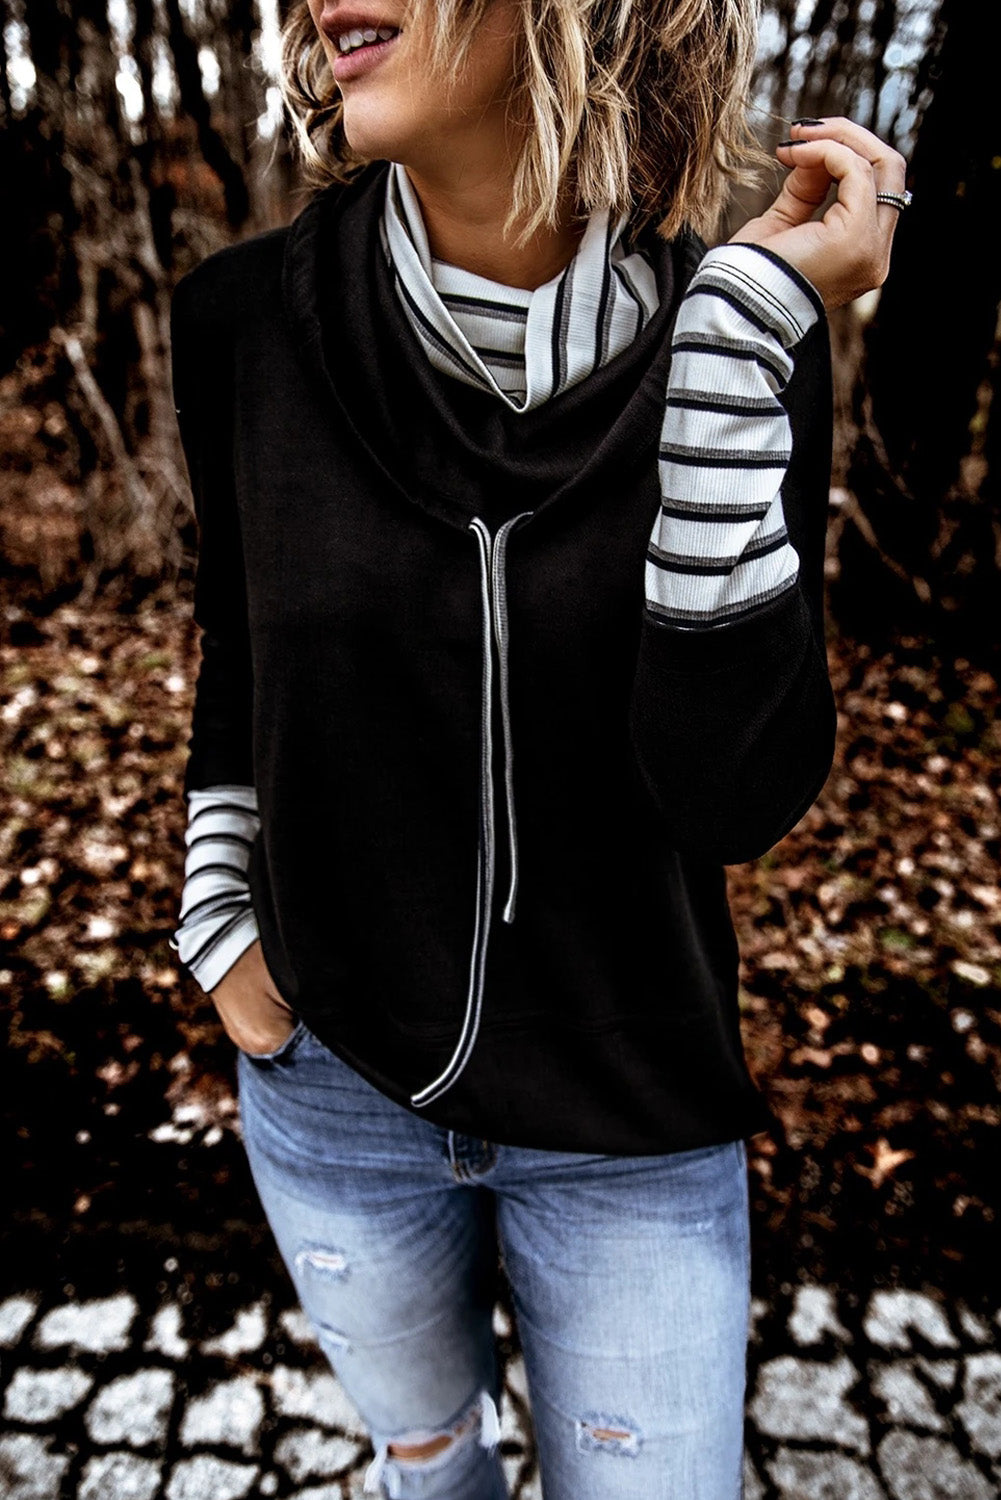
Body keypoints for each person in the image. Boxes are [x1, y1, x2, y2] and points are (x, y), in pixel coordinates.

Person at [168, 0, 908, 1493]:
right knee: (430, 1465)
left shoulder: (742, 326)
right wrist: (218, 924)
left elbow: (735, 793)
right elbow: (241, 652)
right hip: (332, 1085)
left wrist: (729, 353)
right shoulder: (240, 320)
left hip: (633, 1112)